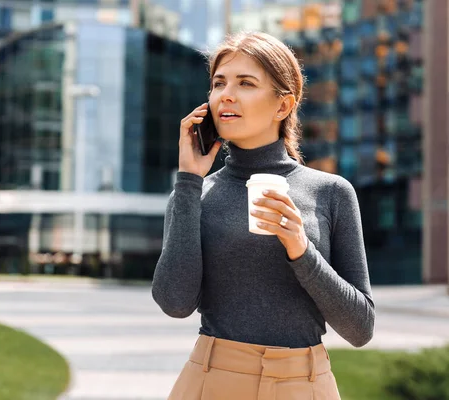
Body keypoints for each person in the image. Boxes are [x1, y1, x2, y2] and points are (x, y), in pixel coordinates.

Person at [151, 31, 375, 400]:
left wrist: (301, 251)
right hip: (212, 380)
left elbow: (360, 328)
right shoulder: (193, 194)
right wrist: (189, 180)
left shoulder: (331, 193)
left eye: (246, 83)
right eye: (218, 83)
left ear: (283, 106)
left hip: (305, 384)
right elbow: (175, 303)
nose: (226, 94)